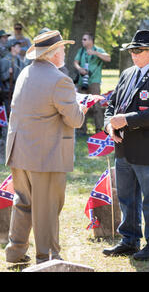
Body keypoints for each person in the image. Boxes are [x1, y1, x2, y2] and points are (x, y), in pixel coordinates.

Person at [4, 30, 87, 264]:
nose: (64, 52)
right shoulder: (60, 79)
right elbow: (75, 120)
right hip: (45, 154)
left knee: (23, 203)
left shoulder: (25, 72)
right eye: (61, 48)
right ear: (51, 54)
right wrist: (83, 107)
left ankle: (16, 252)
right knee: (48, 208)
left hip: (19, 151)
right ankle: (48, 258)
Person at [102, 30, 149, 261]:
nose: (133, 54)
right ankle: (129, 240)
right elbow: (112, 105)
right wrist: (109, 126)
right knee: (127, 197)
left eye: (138, 50)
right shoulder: (127, 74)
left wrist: (127, 120)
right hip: (124, 146)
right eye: (131, 50)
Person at [73, 32, 111, 134]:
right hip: (82, 82)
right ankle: (81, 130)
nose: (82, 41)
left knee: (96, 106)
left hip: (94, 82)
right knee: (81, 106)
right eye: (82, 39)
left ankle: (99, 130)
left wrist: (96, 53)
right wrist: (80, 69)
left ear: (91, 40)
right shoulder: (81, 51)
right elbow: (75, 62)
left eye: (85, 39)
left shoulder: (98, 50)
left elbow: (108, 58)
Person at [0, 39, 26, 113]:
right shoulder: (4, 61)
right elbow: (2, 77)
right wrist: (8, 73)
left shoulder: (20, 60)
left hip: (18, 91)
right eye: (18, 46)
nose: (20, 48)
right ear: (12, 48)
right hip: (7, 92)